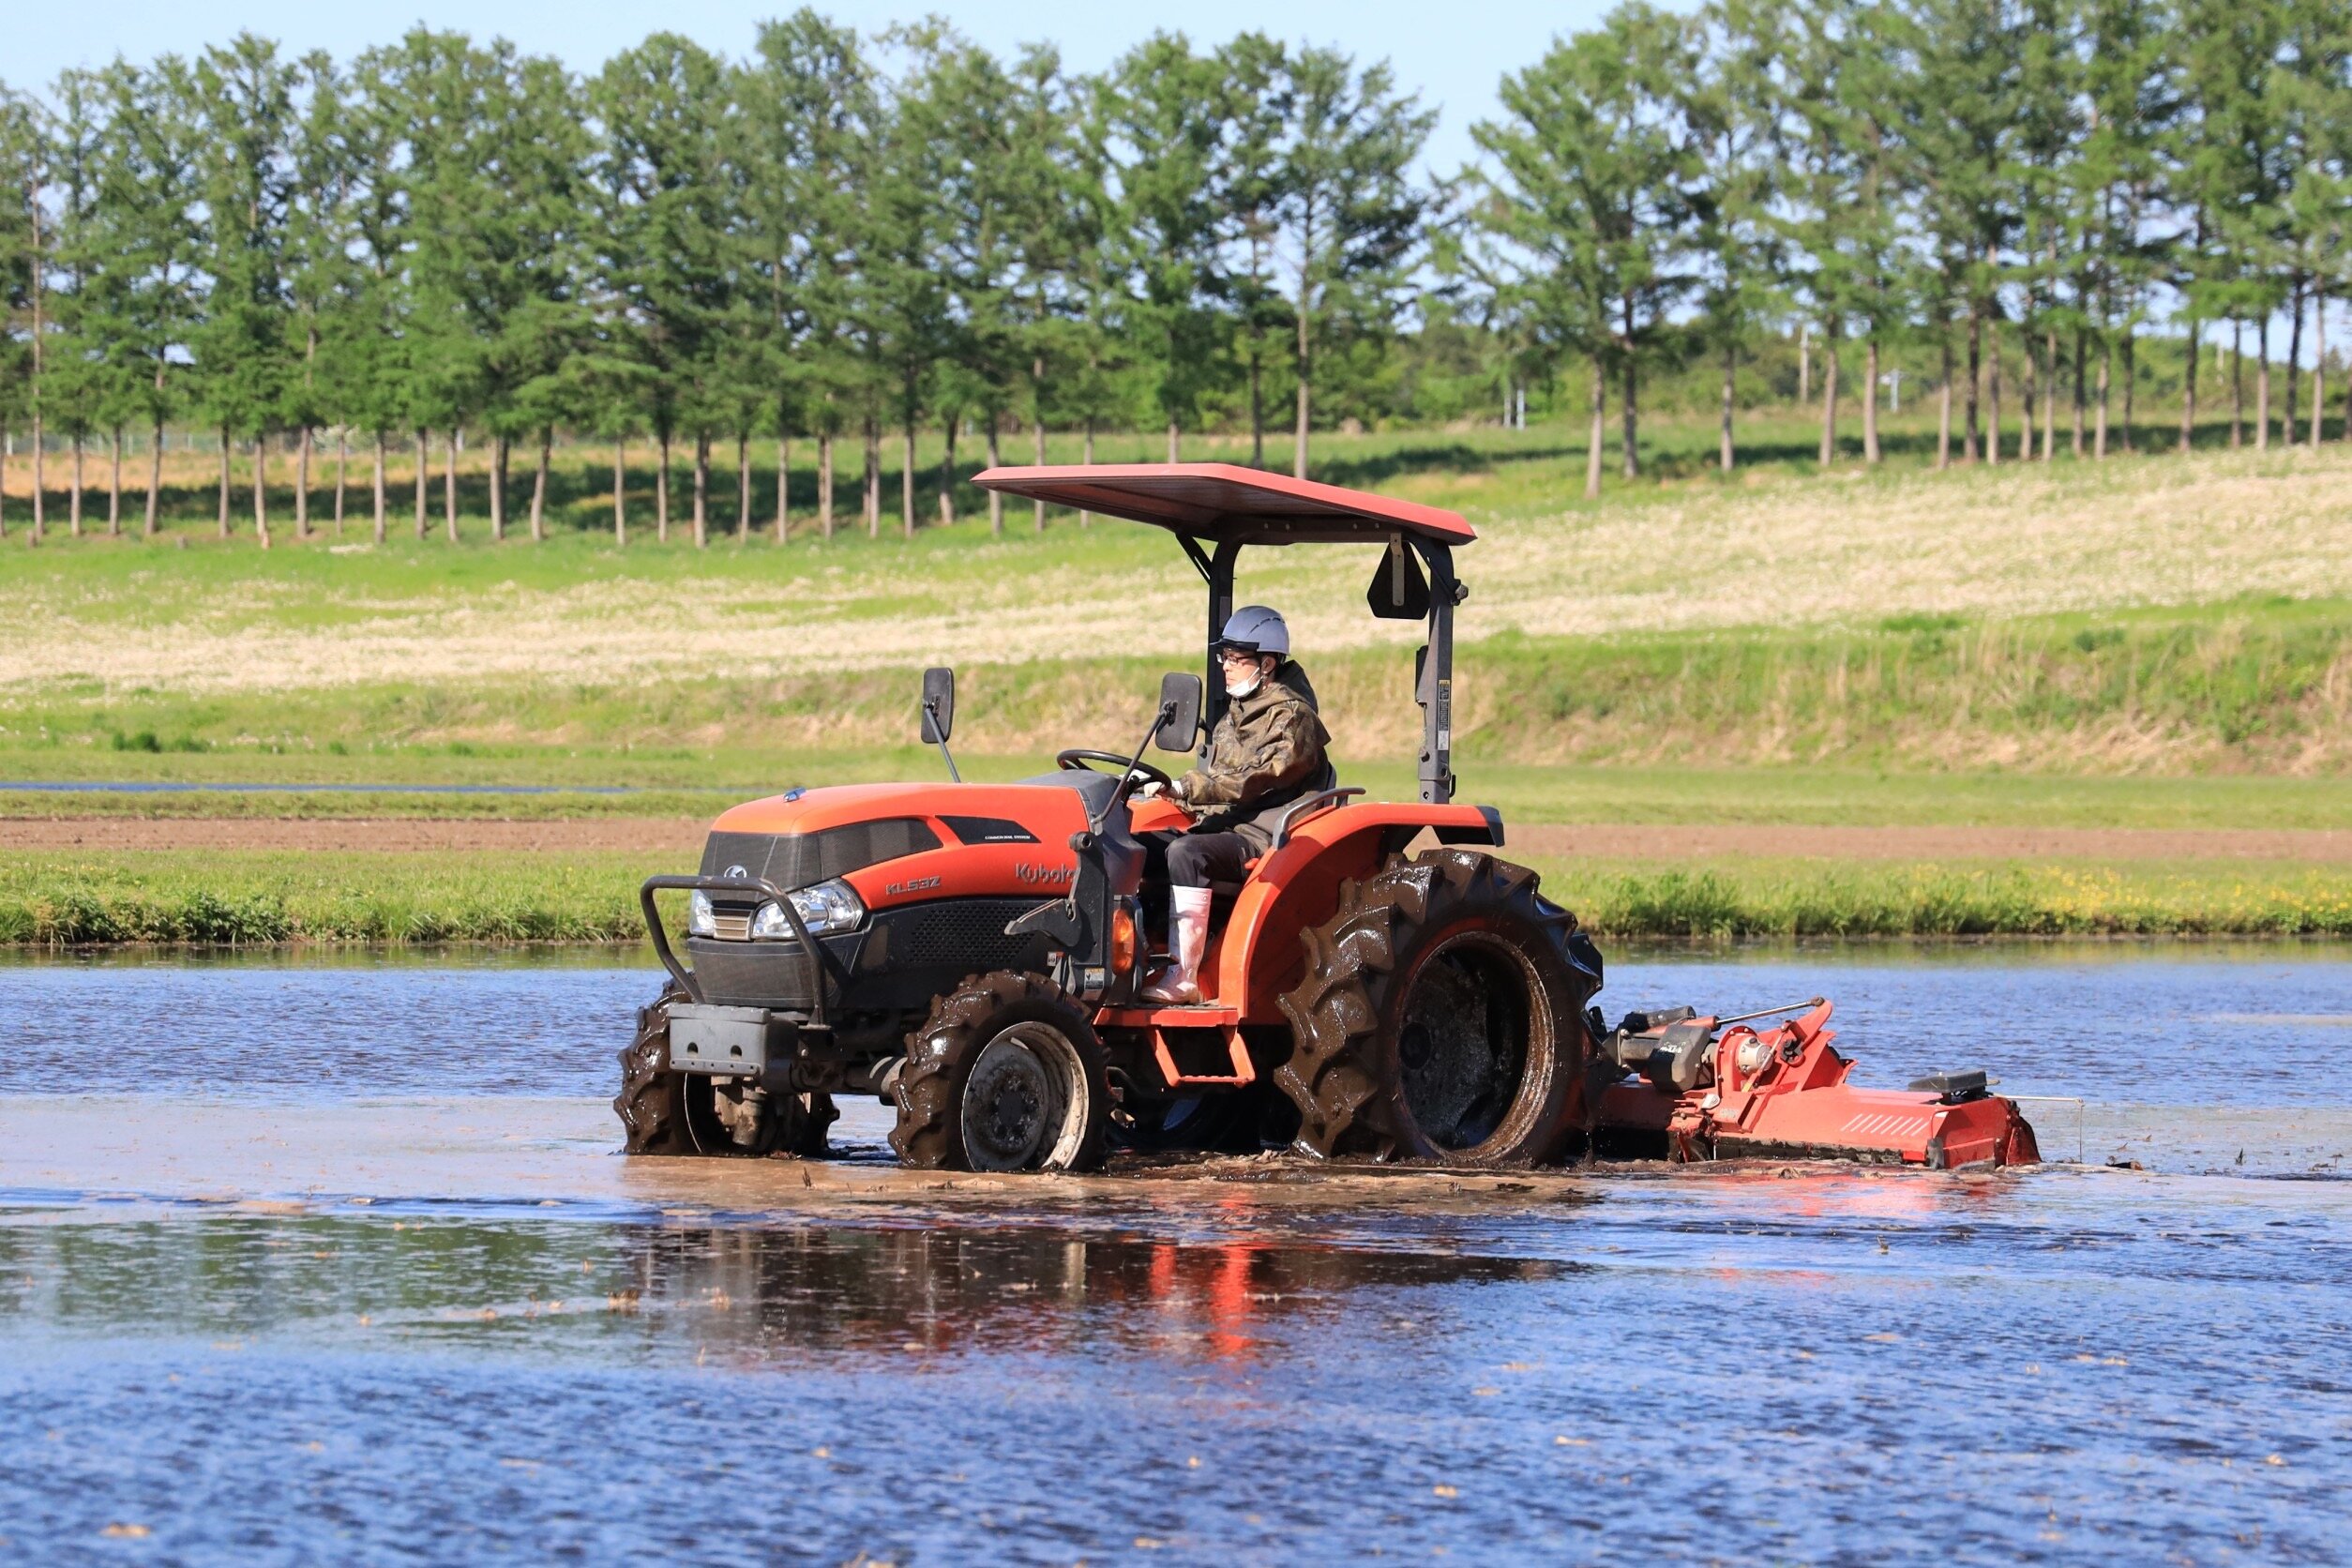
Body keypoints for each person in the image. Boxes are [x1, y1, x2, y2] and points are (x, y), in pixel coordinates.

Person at [1135, 605, 1333, 1004]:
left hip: (1262, 836)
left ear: (1268, 664)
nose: (1226, 667)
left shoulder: (1294, 719)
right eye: (1225, 657)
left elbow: (1253, 780)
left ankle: (1184, 975)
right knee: (1136, 845)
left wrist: (1184, 787)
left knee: (1185, 852)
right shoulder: (1234, 717)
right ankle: (1130, 959)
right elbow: (1216, 785)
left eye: (1237, 659)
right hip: (1224, 826)